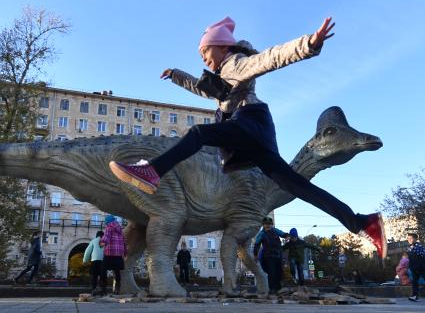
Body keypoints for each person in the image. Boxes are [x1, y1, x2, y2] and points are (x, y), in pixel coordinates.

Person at [109, 16, 386, 258]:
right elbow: (203, 88)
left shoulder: (237, 64)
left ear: (222, 46)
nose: (203, 58)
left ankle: (153, 171)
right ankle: (362, 222)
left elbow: (271, 58)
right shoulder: (224, 75)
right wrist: (176, 75)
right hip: (255, 136)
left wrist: (309, 44)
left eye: (205, 52)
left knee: (198, 133)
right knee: (298, 186)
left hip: (249, 124)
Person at [253, 217, 288, 294]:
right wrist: (255, 255)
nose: (268, 226)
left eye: (269, 224)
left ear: (272, 225)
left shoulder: (275, 231)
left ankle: (279, 288)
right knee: (271, 272)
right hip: (268, 256)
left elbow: (282, 234)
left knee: (279, 271)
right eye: (266, 224)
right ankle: (272, 289)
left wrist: (287, 236)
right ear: (263, 225)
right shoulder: (261, 234)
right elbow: (256, 244)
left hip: (278, 255)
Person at [100, 215, 127, 295]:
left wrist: (102, 243)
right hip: (118, 254)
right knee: (117, 271)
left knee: (103, 269)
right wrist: (125, 251)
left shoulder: (109, 227)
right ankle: (117, 288)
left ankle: (103, 288)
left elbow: (106, 237)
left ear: (107, 222)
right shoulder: (120, 229)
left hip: (110, 252)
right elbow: (123, 241)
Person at [83, 231, 105, 296]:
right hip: (103, 261)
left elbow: (87, 251)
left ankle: (93, 290)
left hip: (94, 260)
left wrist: (85, 260)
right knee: (102, 276)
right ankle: (102, 291)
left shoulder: (93, 241)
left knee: (94, 276)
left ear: (96, 235)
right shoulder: (105, 241)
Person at [407, 233, 425, 302]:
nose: (409, 240)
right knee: (414, 282)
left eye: (411, 238)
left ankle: (415, 296)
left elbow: (423, 257)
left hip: (421, 267)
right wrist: (411, 267)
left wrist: (420, 266)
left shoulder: (419, 247)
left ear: (415, 239)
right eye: (408, 238)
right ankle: (415, 296)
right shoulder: (409, 248)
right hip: (414, 268)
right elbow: (410, 259)